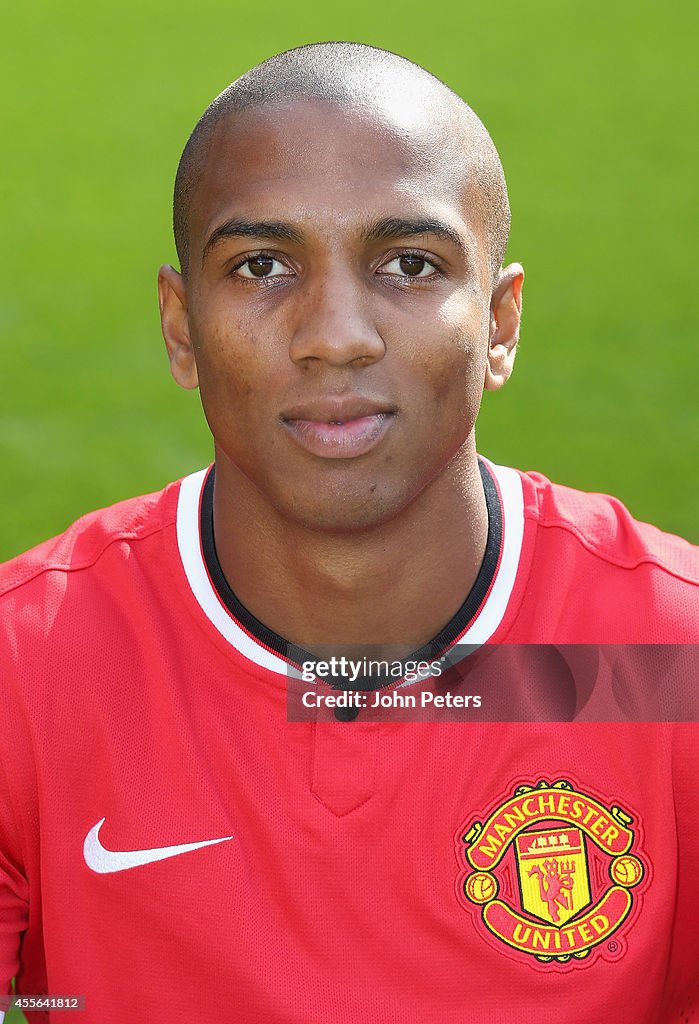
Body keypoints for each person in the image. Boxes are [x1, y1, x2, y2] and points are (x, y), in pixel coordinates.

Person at [0, 41, 697, 1024]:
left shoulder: (666, 659)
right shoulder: (24, 674)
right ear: (180, 325)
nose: (335, 333)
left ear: (500, 324)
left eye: (410, 264)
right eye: (264, 265)